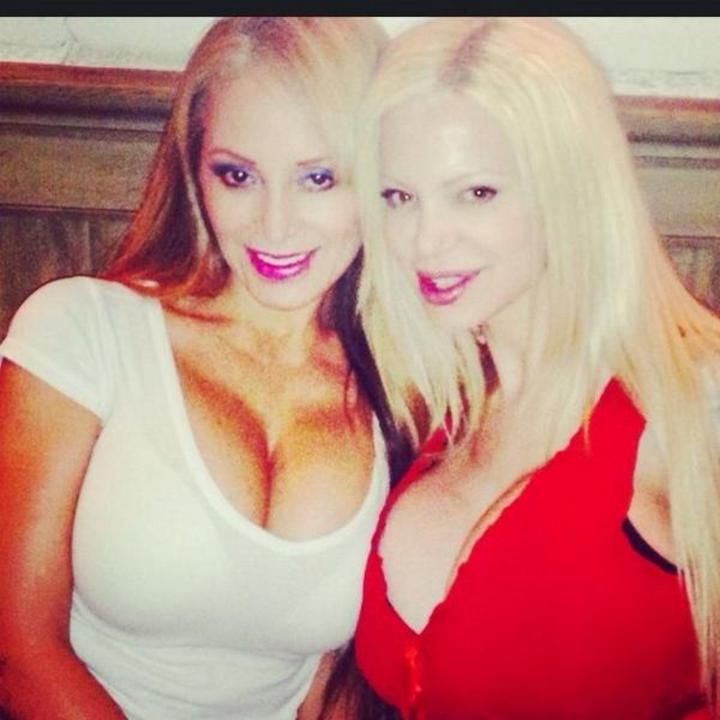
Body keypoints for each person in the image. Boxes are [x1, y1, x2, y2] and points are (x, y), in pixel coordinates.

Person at [0, 16, 402, 720]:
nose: (275, 224)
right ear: (195, 170)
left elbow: (334, 677)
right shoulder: (82, 330)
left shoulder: (402, 390)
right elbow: (19, 649)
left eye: (319, 177)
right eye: (238, 175)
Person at [351, 17, 720, 719]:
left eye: (476, 193)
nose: (424, 240)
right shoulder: (433, 393)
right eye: (399, 197)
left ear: (569, 190)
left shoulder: (692, 403)